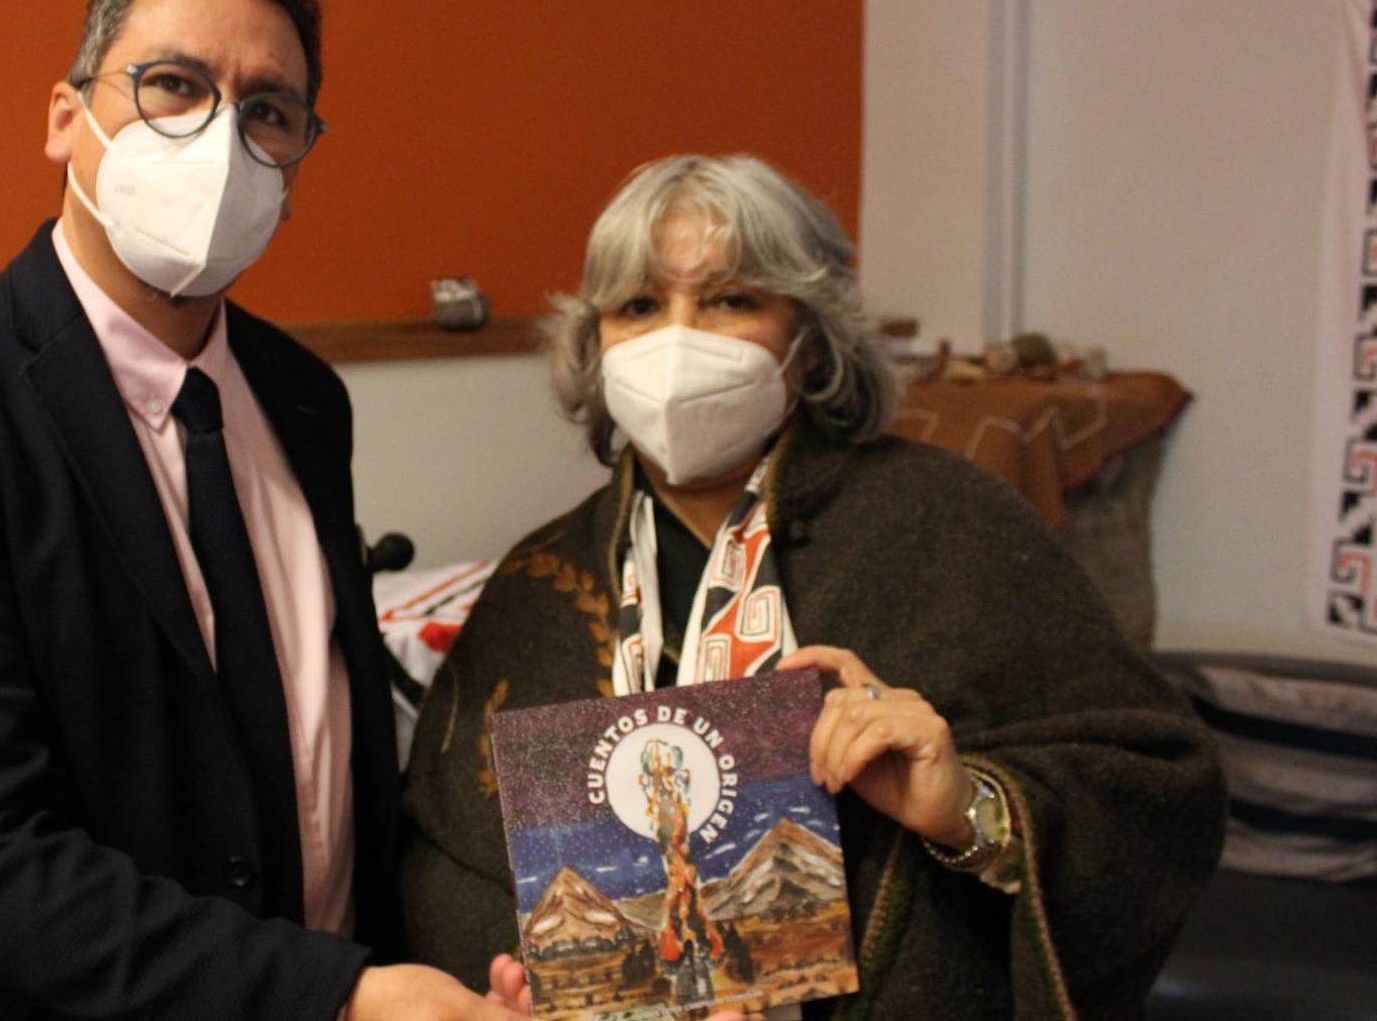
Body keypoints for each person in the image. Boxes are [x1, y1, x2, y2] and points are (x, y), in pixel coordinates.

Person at [0, 0, 518, 1017]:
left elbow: (318, 737)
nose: (219, 139)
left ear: (293, 172)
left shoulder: (304, 397)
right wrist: (339, 994)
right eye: (174, 85)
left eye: (269, 111)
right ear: (64, 119)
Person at [401, 153, 1227, 1019]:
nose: (679, 339)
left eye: (732, 299)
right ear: (595, 341)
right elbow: (438, 854)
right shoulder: (536, 581)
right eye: (640, 305)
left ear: (809, 338)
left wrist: (970, 809)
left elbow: (1162, 793)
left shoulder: (949, 523)